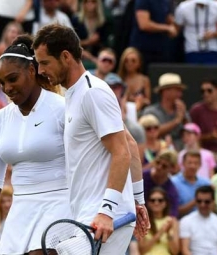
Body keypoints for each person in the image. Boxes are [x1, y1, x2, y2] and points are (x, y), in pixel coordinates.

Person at [33, 24, 149, 252]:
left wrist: (107, 210)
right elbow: (131, 144)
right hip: (99, 215)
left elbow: (122, 152)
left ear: (65, 56)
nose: (40, 71)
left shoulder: (92, 93)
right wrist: (138, 201)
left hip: (103, 217)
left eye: (44, 62)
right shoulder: (76, 94)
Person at [0, 35, 72, 255]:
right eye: (2, 83)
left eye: (13, 79)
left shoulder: (63, 108)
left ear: (32, 72)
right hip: (20, 207)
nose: (7, 88)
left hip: (61, 203)